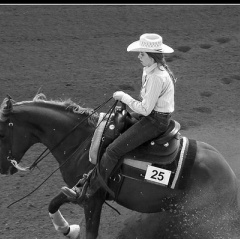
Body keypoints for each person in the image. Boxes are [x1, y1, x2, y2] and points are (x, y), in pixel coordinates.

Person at [61, 33, 177, 201]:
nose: (138, 56)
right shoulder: (151, 70)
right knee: (110, 130)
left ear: (152, 57)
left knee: (113, 150)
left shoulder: (156, 77)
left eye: (142, 54)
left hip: (154, 121)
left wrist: (124, 97)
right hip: (153, 116)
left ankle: (89, 191)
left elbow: (145, 109)